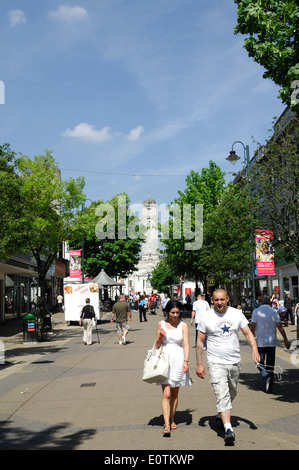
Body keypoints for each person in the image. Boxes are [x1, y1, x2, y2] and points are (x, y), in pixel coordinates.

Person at [196, 288, 260, 446]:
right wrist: (199, 364)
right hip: (215, 362)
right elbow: (199, 342)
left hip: (234, 362)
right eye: (216, 300)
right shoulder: (206, 317)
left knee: (232, 391)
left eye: (222, 300)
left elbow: (248, 333)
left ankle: (220, 414)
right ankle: (228, 429)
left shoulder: (236, 314)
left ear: (227, 299)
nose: (219, 303)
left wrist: (255, 350)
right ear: (212, 300)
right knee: (222, 394)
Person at [155, 300, 191, 437]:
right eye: (172, 313)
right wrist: (160, 337)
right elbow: (157, 345)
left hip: (179, 360)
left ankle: (172, 418)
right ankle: (166, 424)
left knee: (175, 393)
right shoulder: (161, 324)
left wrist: (186, 361)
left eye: (177, 313)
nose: (175, 315)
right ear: (167, 312)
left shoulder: (183, 325)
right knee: (167, 394)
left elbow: (186, 345)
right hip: (165, 361)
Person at [251, 294, 290, 393]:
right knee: (270, 365)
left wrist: (251, 340)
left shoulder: (256, 311)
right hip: (272, 342)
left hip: (260, 342)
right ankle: (270, 386)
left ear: (260, 301)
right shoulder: (274, 312)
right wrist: (285, 339)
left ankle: (265, 376)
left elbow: (252, 327)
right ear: (270, 301)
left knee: (259, 362)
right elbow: (280, 326)